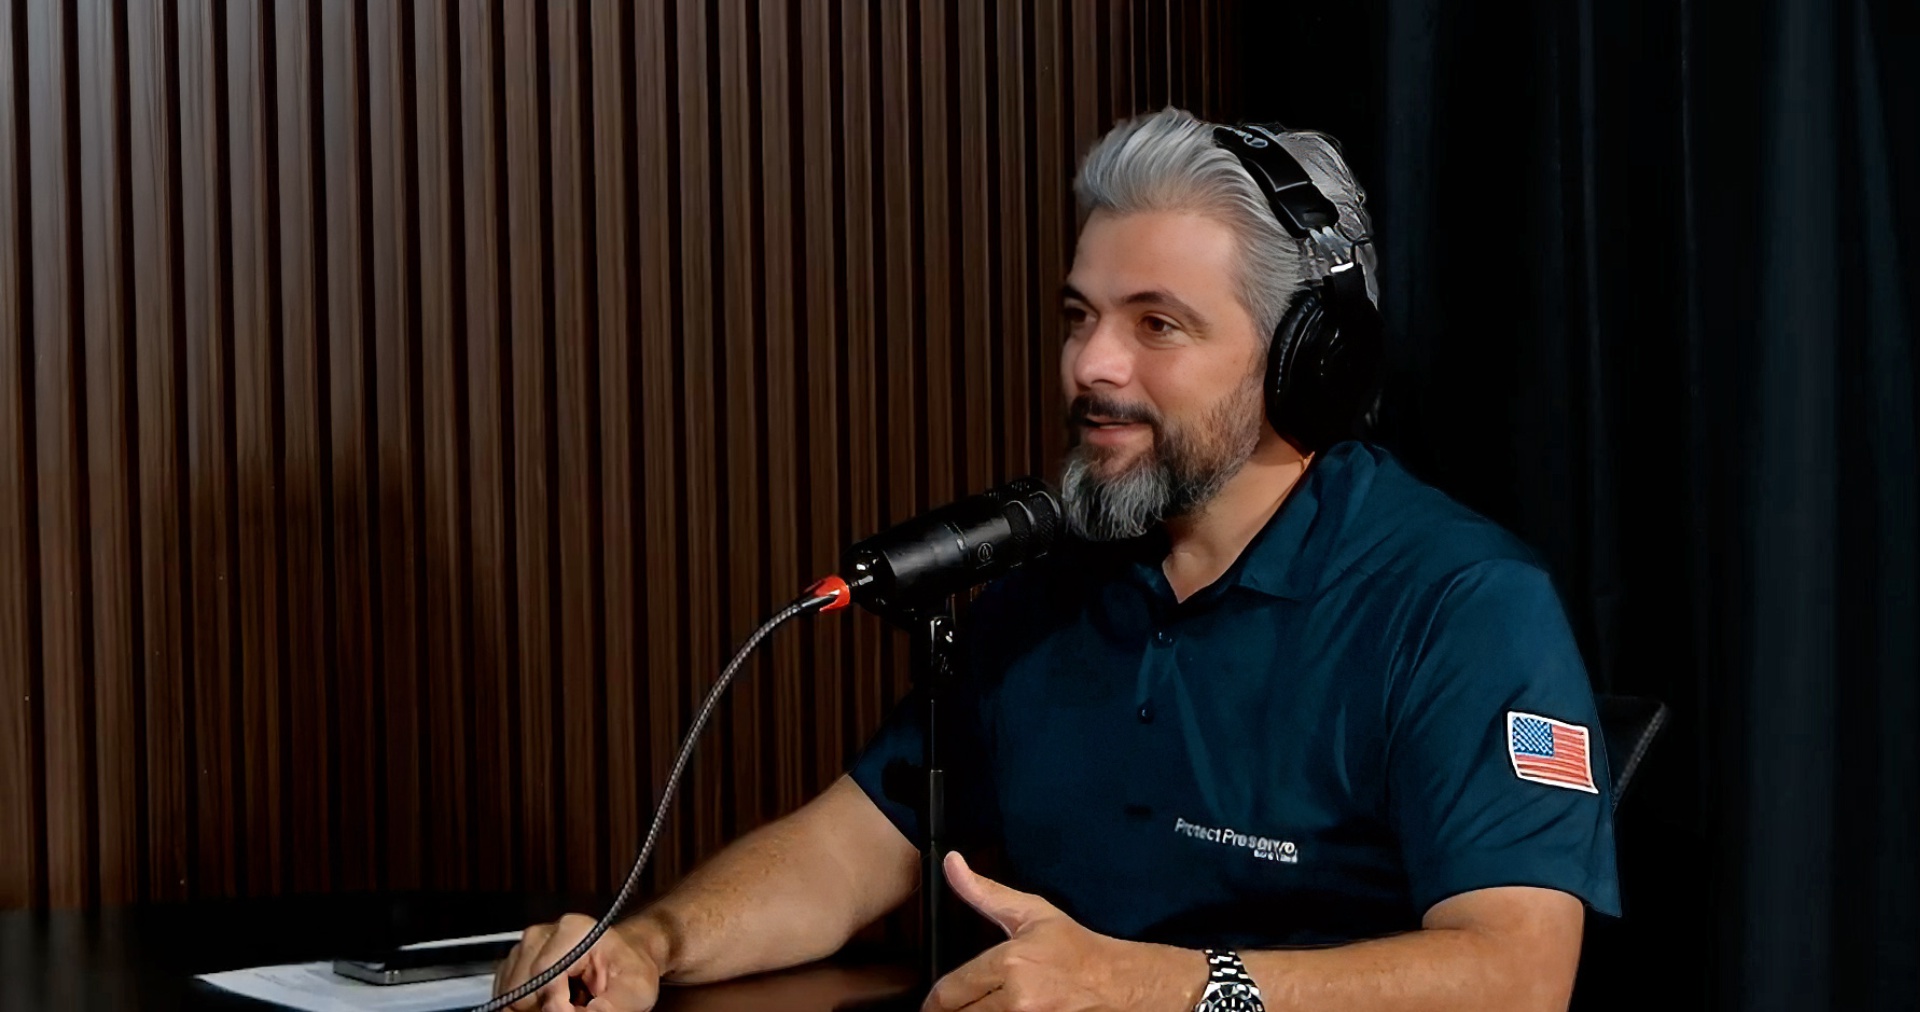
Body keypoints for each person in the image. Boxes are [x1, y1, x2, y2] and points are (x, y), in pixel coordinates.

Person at [493, 107, 1618, 1012]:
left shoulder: (1464, 604)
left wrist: (1161, 986)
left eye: (1156, 324)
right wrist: (642, 947)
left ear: (1307, 367)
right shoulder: (1044, 590)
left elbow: (1515, 971)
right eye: (1079, 315)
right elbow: (844, 858)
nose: (1091, 363)